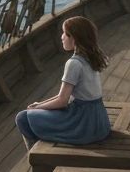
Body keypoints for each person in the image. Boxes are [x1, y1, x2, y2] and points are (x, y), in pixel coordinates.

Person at [15, 15, 111, 151]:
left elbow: (62, 101)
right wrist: (40, 105)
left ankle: (35, 155)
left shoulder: (74, 63)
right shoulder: (91, 57)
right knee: (30, 113)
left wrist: (36, 109)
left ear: (74, 38)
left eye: (65, 34)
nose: (62, 37)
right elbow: (66, 96)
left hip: (82, 124)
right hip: (99, 122)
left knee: (22, 118)